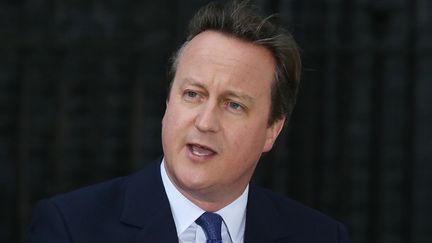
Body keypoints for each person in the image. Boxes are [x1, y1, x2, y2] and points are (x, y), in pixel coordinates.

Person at [27, 1, 349, 242]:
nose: (206, 122)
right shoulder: (71, 228)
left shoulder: (320, 236)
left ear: (271, 130)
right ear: (169, 102)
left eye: (233, 104)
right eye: (193, 94)